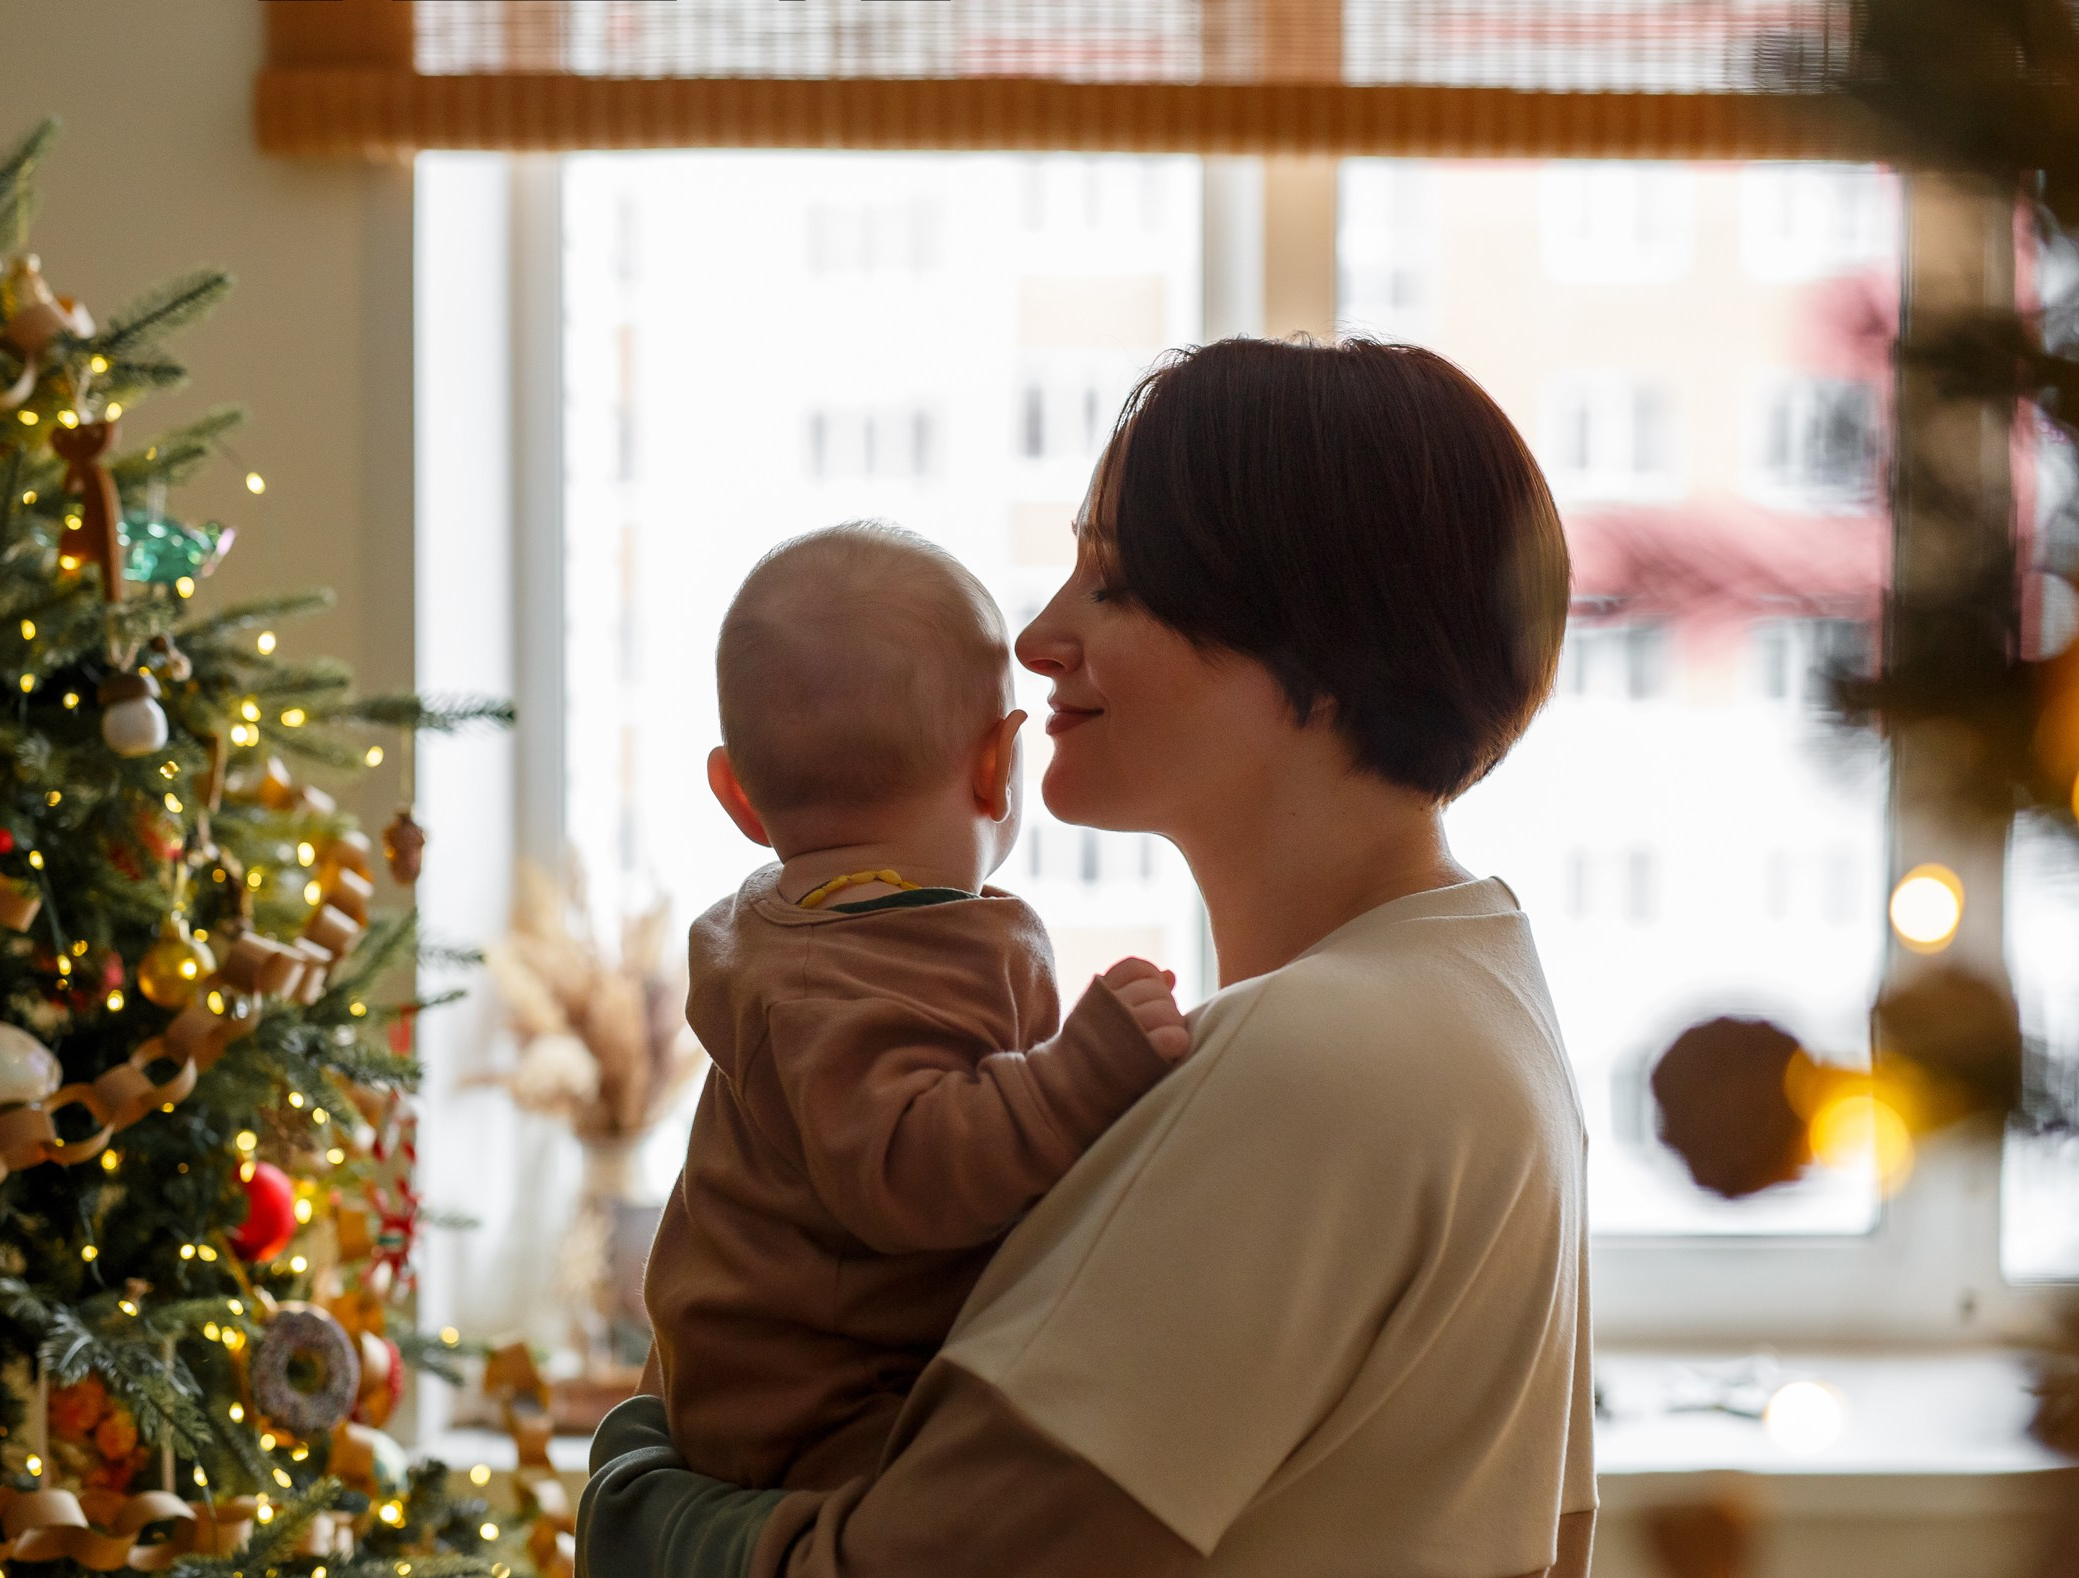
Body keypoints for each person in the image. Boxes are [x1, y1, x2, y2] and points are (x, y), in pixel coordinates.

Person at [580, 337, 1594, 1578]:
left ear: (1318, 647)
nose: (1039, 637)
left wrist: (639, 1491)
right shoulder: (1476, 990)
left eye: (1113, 583)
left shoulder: (1313, 1061)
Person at [644, 524, 1193, 1493]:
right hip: (815, 1414)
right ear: (998, 765)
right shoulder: (840, 978)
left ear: (737, 795)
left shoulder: (810, 944)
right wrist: (1080, 1075)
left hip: (798, 1388)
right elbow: (904, 1165)